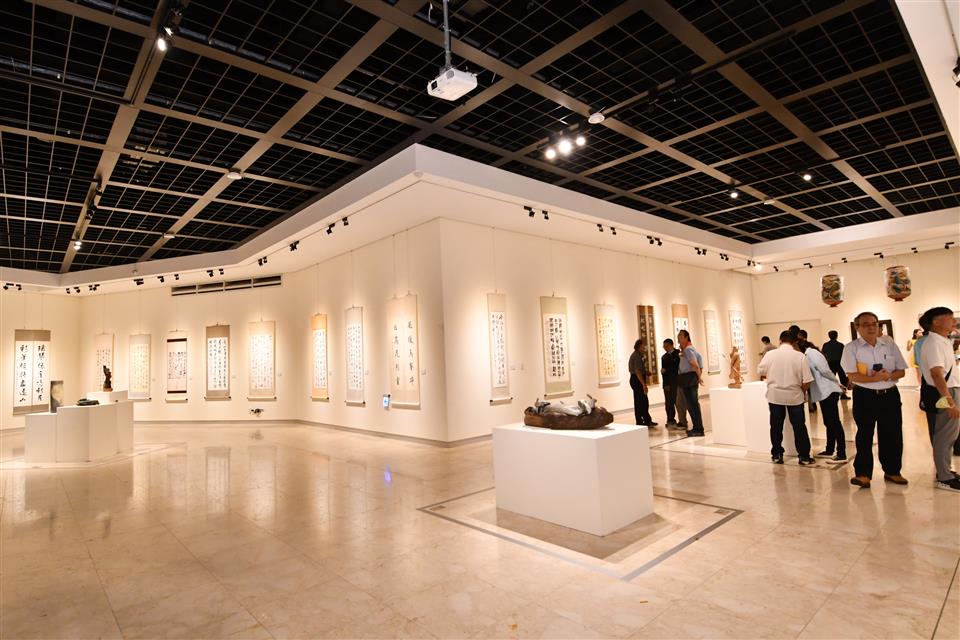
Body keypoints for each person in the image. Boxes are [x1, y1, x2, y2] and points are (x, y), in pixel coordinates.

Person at [841, 311, 909, 488]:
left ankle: (893, 471)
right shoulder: (851, 348)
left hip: (890, 395)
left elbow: (901, 371)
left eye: (874, 323)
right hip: (865, 396)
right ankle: (863, 474)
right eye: (866, 324)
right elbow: (852, 376)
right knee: (864, 434)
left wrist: (888, 376)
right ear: (857, 328)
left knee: (892, 434)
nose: (871, 327)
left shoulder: (888, 344)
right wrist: (875, 379)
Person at [757, 332, 816, 465]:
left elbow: (760, 371)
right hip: (795, 396)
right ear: (795, 342)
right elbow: (807, 380)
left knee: (776, 426)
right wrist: (802, 391)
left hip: (775, 395)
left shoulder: (770, 354)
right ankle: (804, 456)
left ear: (780, 340)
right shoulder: (800, 356)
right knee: (799, 426)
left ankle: (777, 454)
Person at [918, 307, 960, 492]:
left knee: (950, 435)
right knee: (944, 435)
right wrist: (949, 400)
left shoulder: (942, 341)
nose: (954, 321)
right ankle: (944, 477)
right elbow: (936, 374)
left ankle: (946, 471)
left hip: (949, 390)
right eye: (950, 318)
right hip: (944, 392)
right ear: (936, 322)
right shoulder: (934, 343)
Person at [799, 340, 846, 462]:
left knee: (834, 422)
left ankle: (841, 453)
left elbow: (825, 370)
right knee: (828, 422)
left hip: (828, 391)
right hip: (824, 392)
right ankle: (830, 449)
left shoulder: (812, 353)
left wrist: (837, 382)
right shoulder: (808, 354)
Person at [677, 330, 705, 437]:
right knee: (692, 405)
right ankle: (697, 428)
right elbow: (699, 361)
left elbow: (695, 364)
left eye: (680, 335)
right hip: (688, 378)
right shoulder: (688, 349)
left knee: (692, 405)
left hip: (689, 379)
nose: (678, 337)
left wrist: (699, 377)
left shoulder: (688, 349)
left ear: (686, 337)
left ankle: (698, 429)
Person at [628, 340, 657, 427]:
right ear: (639, 347)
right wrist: (643, 384)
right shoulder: (637, 356)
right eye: (643, 346)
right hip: (637, 380)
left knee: (641, 401)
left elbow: (639, 370)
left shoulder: (638, 355)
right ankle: (642, 422)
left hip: (636, 379)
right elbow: (637, 371)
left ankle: (644, 420)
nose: (644, 348)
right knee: (641, 402)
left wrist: (645, 372)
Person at [821, 330, 850, 399]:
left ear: (829, 336)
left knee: (831, 379)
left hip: (830, 364)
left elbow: (823, 354)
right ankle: (843, 395)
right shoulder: (840, 345)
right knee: (843, 379)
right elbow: (844, 355)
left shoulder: (825, 345)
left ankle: (832, 395)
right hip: (839, 363)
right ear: (837, 336)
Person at [661, 339, 681, 428]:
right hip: (668, 382)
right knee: (669, 403)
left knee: (679, 402)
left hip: (677, 381)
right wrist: (665, 384)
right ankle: (670, 420)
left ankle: (682, 420)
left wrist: (666, 370)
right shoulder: (664, 357)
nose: (665, 348)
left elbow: (677, 367)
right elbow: (663, 372)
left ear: (671, 345)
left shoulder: (678, 354)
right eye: (664, 346)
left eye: (666, 346)